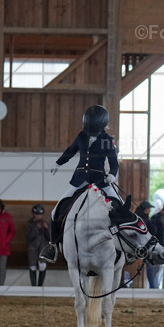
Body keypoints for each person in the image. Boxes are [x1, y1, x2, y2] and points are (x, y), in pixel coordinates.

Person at [40, 105, 120, 263]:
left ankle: (125, 248)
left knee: (120, 205)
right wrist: (58, 163)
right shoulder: (82, 136)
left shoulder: (107, 140)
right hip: (79, 179)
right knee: (56, 210)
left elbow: (113, 162)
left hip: (100, 180)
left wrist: (112, 174)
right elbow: (71, 151)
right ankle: (52, 245)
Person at [25, 204, 50, 286]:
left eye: (40, 214)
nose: (38, 216)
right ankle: (33, 286)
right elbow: (29, 237)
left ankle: (40, 285)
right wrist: (36, 228)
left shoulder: (46, 223)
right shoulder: (30, 224)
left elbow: (50, 238)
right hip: (32, 249)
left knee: (42, 266)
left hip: (43, 249)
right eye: (36, 214)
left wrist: (46, 228)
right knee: (33, 267)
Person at [136, 200, 159, 288]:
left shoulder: (137, 217)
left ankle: (153, 285)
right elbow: (153, 230)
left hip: (140, 242)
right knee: (150, 264)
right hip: (143, 243)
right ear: (146, 209)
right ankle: (153, 286)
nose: (150, 210)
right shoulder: (144, 219)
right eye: (149, 209)